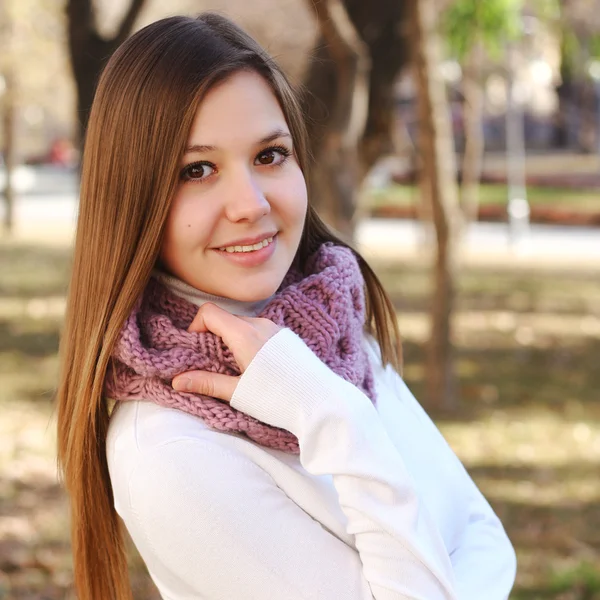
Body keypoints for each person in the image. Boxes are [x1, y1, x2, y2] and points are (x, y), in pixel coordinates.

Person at [56, 12, 517, 600]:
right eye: (196, 170)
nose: (249, 203)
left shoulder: (331, 331)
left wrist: (313, 387)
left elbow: (487, 540)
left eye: (270, 155)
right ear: (133, 200)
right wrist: (328, 411)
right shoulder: (169, 450)